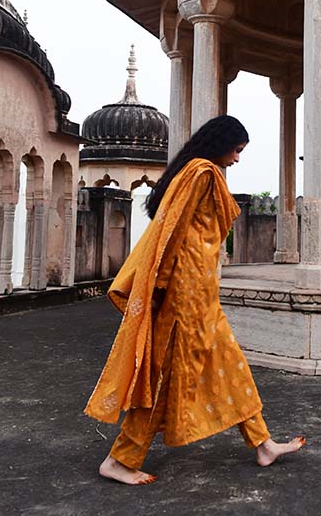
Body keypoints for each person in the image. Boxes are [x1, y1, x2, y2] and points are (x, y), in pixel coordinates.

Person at [84, 114, 306, 486]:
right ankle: (121, 458)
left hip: (201, 292)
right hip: (184, 295)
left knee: (231, 366)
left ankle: (263, 443)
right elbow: (171, 229)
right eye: (236, 151)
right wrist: (159, 285)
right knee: (168, 373)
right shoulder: (201, 173)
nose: (237, 159)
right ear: (221, 144)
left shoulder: (199, 172)